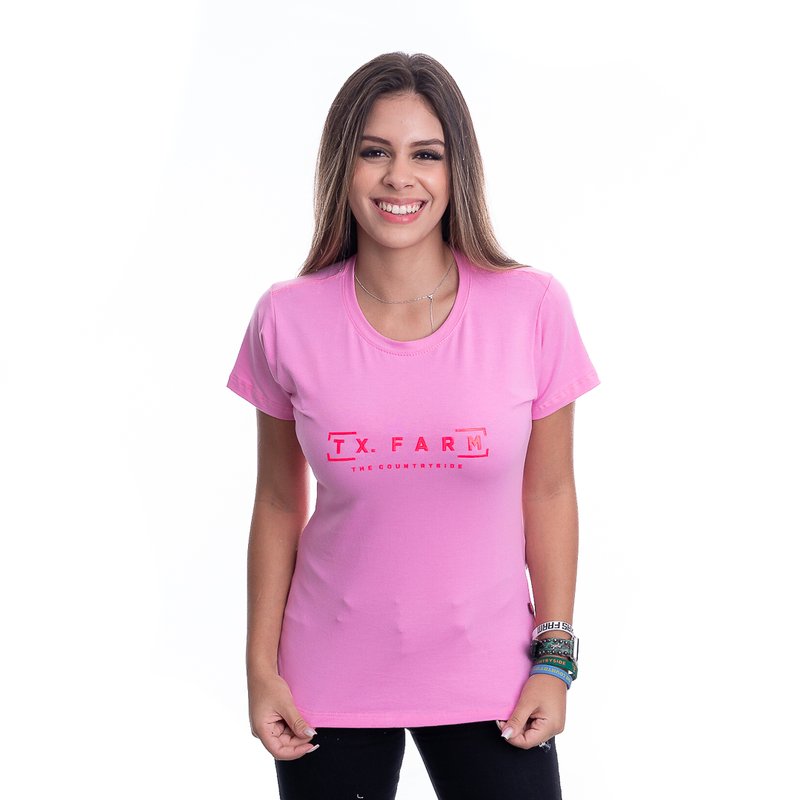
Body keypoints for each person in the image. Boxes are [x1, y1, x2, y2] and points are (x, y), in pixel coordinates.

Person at [226, 51, 600, 800]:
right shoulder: (286, 318)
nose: (400, 177)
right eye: (375, 152)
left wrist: (554, 661)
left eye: (425, 154)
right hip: (325, 682)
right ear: (342, 167)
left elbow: (550, 492)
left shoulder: (531, 307)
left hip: (495, 680)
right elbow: (277, 502)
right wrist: (261, 670)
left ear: (457, 171)